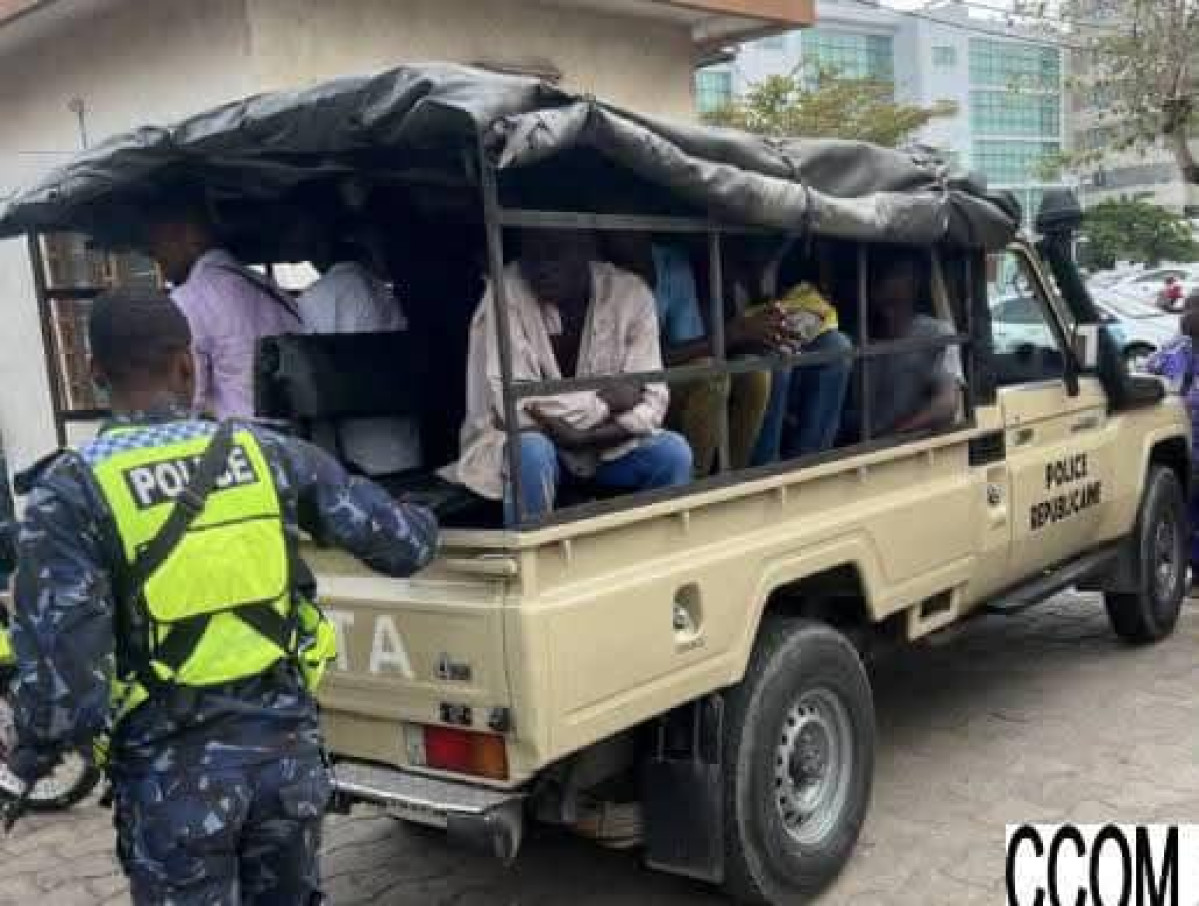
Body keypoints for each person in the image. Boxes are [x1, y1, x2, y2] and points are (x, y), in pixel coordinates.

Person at [4, 292, 439, 903]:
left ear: (95, 373)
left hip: (172, 789)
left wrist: (30, 757)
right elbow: (403, 546)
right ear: (188, 365)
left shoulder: (71, 492)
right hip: (287, 770)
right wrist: (430, 505)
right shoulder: (266, 452)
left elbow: (66, 690)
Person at [445, 231, 692, 522]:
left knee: (674, 453)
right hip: (527, 444)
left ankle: (652, 554)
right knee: (531, 451)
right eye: (531, 257)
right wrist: (604, 404)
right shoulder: (505, 292)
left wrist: (585, 437)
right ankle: (534, 559)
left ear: (587, 249)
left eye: (554, 252)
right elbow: (514, 407)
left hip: (604, 448)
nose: (542, 267)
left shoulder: (630, 293)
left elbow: (653, 401)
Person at [605, 236, 773, 475]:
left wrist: (736, 334)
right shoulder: (602, 271)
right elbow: (621, 367)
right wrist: (731, 335)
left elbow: (685, 343)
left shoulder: (670, 263)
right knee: (710, 376)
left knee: (754, 372)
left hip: (662, 376)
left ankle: (734, 476)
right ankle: (695, 484)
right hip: (624, 386)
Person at [144, 199, 303, 419]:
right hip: (300, 444)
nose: (154, 254)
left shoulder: (189, 300)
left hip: (242, 446)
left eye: (160, 240)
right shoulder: (272, 291)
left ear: (191, 237)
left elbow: (187, 404)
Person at [298, 227, 422, 476]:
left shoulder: (313, 297)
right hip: (400, 433)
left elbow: (306, 374)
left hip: (349, 442)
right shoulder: (386, 294)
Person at [864, 251, 964, 435]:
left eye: (898, 274)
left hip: (906, 443)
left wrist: (897, 433)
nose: (887, 283)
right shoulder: (859, 335)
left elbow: (947, 403)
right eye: (882, 276)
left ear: (915, 283)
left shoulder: (936, 333)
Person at [1146, 293, 1199, 572]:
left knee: (1183, 511)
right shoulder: (1173, 351)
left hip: (1178, 450)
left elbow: (1148, 375)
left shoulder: (1170, 350)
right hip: (1186, 447)